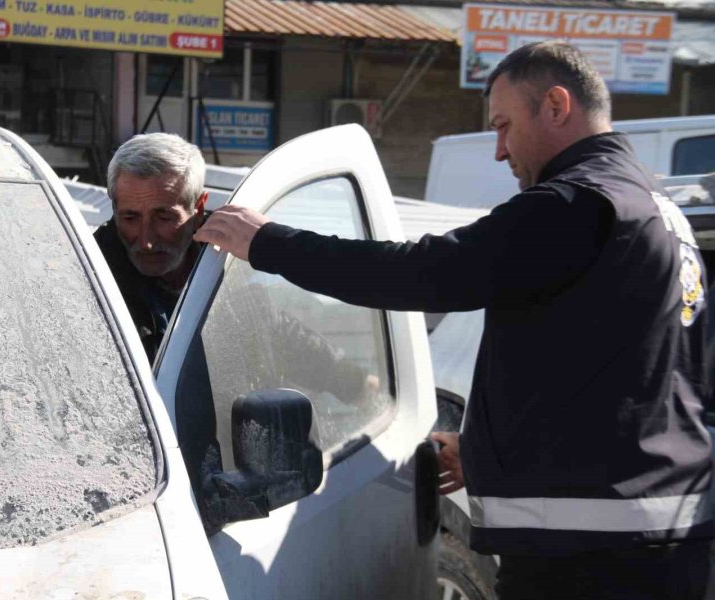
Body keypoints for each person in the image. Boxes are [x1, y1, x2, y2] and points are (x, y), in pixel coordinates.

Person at [194, 41, 713, 599]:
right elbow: (622, 377)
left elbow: (424, 273)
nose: (499, 150)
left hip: (591, 559)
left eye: (504, 125)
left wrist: (268, 242)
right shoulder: (653, 207)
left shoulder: (578, 204)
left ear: (557, 105)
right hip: (657, 541)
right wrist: (492, 455)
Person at [94, 132, 208, 363]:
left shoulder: (231, 263)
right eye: (130, 218)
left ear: (199, 209)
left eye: (163, 217)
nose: (146, 241)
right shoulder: (91, 281)